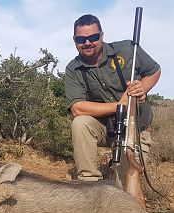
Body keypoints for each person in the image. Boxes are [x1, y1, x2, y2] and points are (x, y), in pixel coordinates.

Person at [65, 14, 161, 186]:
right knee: (80, 123)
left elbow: (154, 70)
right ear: (75, 40)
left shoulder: (127, 50)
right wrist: (119, 105)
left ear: (102, 35)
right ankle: (89, 184)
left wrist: (142, 88)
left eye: (93, 37)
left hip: (134, 127)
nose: (87, 42)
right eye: (81, 39)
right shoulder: (73, 69)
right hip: (106, 128)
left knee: (125, 183)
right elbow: (77, 108)